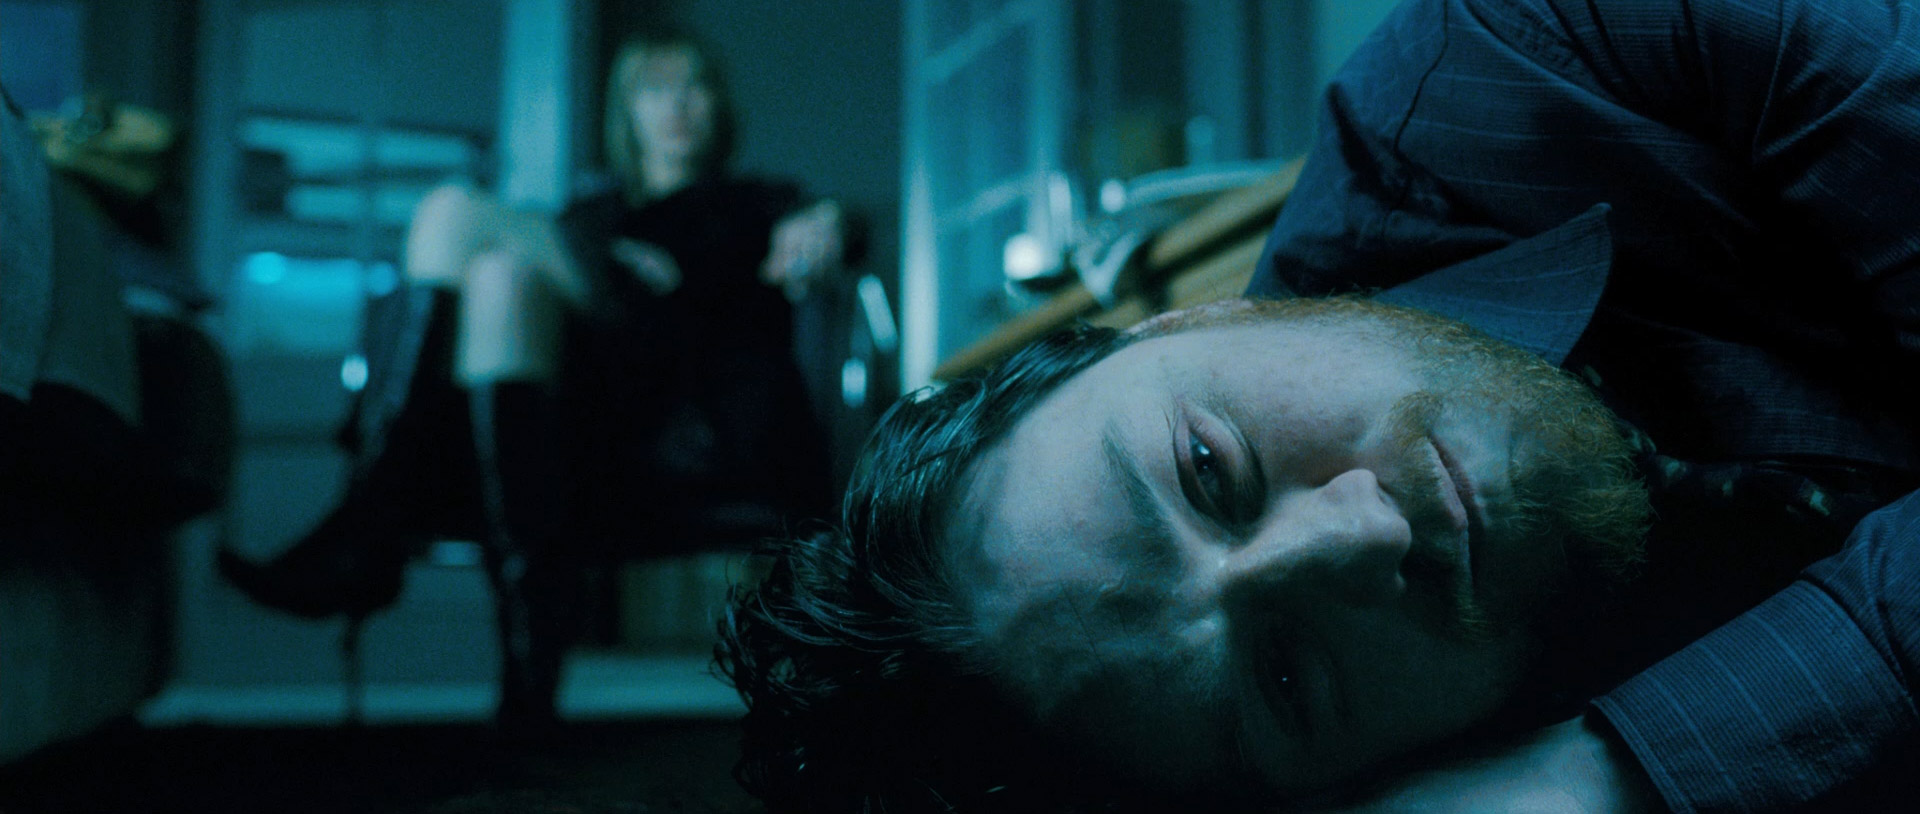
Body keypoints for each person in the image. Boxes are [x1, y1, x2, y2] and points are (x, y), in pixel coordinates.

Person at [718, 0, 1920, 810]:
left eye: (1208, 468)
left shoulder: (1534, 49)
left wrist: (1623, 771)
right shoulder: (1457, 757)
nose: (1363, 534)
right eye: (1287, 678)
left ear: (1186, 322)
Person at [221, 28, 852, 732]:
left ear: (719, 104)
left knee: (452, 212)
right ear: (628, 111)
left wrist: (823, 223)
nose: (676, 106)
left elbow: (835, 238)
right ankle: (523, 686)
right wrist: (607, 259)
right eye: (654, 90)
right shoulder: (591, 215)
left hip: (685, 410)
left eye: (693, 87)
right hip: (578, 423)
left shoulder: (759, 202)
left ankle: (370, 519)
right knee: (500, 278)